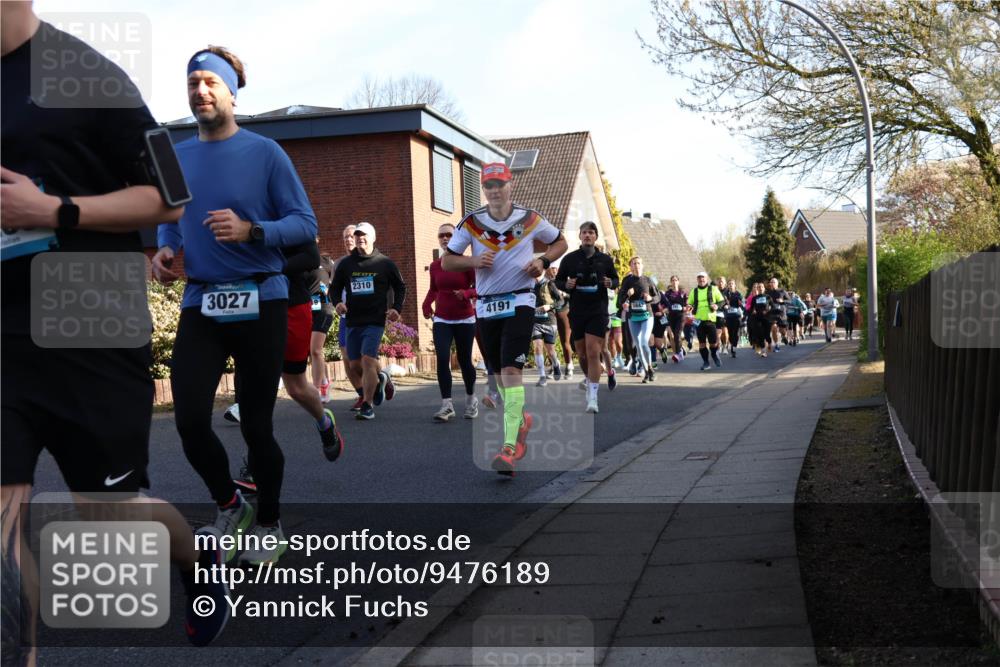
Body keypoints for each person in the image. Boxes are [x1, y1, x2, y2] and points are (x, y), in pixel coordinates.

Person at [2, 6, 229, 650]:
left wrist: (55, 210)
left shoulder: (86, 75)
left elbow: (168, 195)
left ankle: (197, 560)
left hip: (88, 331)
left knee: (106, 517)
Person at [152, 46, 317, 566]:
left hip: (260, 296)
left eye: (210, 83)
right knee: (190, 419)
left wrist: (254, 230)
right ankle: (231, 502)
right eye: (192, 83)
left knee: (256, 425)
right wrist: (165, 247)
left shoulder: (266, 152)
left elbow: (305, 226)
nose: (200, 91)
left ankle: (270, 522)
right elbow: (169, 216)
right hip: (202, 299)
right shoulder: (175, 156)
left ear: (232, 92)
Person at [441, 162, 567, 475]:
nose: (495, 191)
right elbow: (446, 261)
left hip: (521, 299)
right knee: (499, 376)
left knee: (511, 371)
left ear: (510, 185)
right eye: (489, 186)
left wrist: (543, 260)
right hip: (486, 306)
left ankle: (509, 448)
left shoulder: (529, 217)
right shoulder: (472, 222)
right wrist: (472, 259)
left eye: (500, 184)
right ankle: (521, 420)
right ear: (483, 189)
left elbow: (560, 242)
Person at [330, 222, 405, 420]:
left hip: (375, 320)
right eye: (357, 236)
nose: (360, 238)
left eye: (364, 235)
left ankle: (367, 404)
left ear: (373, 238)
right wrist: (337, 302)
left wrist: (396, 308)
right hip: (353, 320)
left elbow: (400, 286)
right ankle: (383, 378)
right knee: (355, 365)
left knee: (368, 359)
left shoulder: (384, 263)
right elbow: (334, 288)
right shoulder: (346, 264)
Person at [555, 222, 618, 412]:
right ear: (580, 236)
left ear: (596, 236)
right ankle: (591, 381)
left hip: (598, 311)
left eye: (591, 232)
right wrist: (568, 284)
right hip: (578, 311)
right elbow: (558, 280)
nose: (588, 236)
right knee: (581, 354)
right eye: (584, 233)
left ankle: (593, 396)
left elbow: (616, 279)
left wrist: (610, 282)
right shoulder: (570, 259)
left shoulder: (605, 260)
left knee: (593, 351)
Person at [422, 222, 479, 421]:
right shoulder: (436, 265)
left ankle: (471, 400)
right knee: (442, 358)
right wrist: (426, 304)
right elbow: (433, 289)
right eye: (441, 236)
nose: (445, 238)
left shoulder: (466, 262)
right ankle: (447, 405)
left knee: (464, 361)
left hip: (465, 318)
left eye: (449, 235)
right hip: (442, 319)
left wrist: (466, 293)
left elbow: (480, 287)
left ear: (456, 238)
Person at [617, 257, 658, 383]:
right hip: (633, 317)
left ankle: (650, 366)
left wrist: (650, 298)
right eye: (634, 263)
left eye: (639, 263)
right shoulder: (627, 281)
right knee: (638, 345)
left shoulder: (648, 280)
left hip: (647, 316)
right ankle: (647, 371)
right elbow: (620, 301)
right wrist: (626, 298)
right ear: (630, 267)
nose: (637, 265)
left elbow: (657, 297)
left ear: (642, 265)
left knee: (644, 341)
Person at [529, 270, 564, 387]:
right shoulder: (529, 286)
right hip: (535, 321)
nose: (536, 274)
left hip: (549, 320)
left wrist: (550, 306)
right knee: (537, 347)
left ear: (543, 272)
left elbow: (561, 300)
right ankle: (542, 376)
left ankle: (555, 364)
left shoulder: (549, 284)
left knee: (550, 351)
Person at [310, 250, 336, 402]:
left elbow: (338, 281)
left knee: (316, 349)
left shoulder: (326, 261)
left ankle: (314, 390)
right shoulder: (299, 260)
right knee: (312, 351)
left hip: (324, 309)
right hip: (306, 309)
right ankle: (324, 381)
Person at [688, 271, 726, 370]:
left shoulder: (713, 289)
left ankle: (714, 354)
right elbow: (689, 303)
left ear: (706, 279)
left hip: (710, 319)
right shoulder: (694, 291)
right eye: (699, 278)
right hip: (698, 320)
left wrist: (717, 306)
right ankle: (706, 363)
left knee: (713, 343)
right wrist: (688, 307)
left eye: (703, 278)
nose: (701, 280)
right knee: (702, 343)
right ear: (697, 280)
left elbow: (722, 301)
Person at [548, 263, 575, 379]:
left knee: (565, 342)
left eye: (555, 268)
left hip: (564, 312)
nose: (554, 271)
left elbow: (573, 295)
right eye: (552, 268)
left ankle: (569, 366)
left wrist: (565, 294)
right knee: (549, 343)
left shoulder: (565, 281)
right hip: (550, 314)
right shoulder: (547, 283)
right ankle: (553, 365)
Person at [662, 276, 688, 363]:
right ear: (670, 282)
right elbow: (664, 303)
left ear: (678, 282)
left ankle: (679, 353)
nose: (674, 282)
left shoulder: (683, 293)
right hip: (671, 316)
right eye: (672, 280)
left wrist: (685, 308)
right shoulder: (668, 293)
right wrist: (665, 308)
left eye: (676, 280)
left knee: (677, 334)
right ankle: (680, 350)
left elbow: (688, 304)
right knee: (671, 335)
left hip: (681, 316)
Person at [746, 283, 773, 356]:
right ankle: (763, 351)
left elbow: (773, 307)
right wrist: (753, 311)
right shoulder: (755, 298)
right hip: (758, 318)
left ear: (764, 288)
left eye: (762, 287)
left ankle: (769, 343)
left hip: (767, 318)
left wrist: (767, 311)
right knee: (760, 334)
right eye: (759, 287)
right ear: (757, 289)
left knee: (767, 335)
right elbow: (751, 308)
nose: (760, 288)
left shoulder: (768, 297)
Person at [721, 279, 745, 358]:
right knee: (731, 333)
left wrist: (740, 304)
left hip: (736, 316)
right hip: (728, 316)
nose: (731, 285)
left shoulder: (738, 294)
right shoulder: (725, 294)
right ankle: (732, 344)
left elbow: (742, 304)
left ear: (735, 285)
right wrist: (725, 305)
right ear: (728, 285)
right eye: (729, 284)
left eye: (732, 284)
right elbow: (721, 303)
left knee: (736, 333)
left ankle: (734, 347)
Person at [765, 277, 790, 351]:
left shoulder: (782, 291)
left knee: (782, 330)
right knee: (774, 329)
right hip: (772, 313)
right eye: (771, 282)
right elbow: (766, 303)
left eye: (773, 282)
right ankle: (776, 345)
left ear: (777, 284)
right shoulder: (768, 293)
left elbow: (789, 301)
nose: (772, 283)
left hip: (781, 313)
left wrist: (782, 301)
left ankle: (783, 336)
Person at [714, 275, 730, 354]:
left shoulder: (728, 291)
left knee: (725, 332)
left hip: (726, 313)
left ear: (725, 283)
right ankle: (719, 346)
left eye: (722, 282)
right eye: (719, 281)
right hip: (717, 313)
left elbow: (731, 301)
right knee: (718, 331)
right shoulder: (715, 291)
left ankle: (725, 346)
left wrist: (728, 305)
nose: (720, 283)